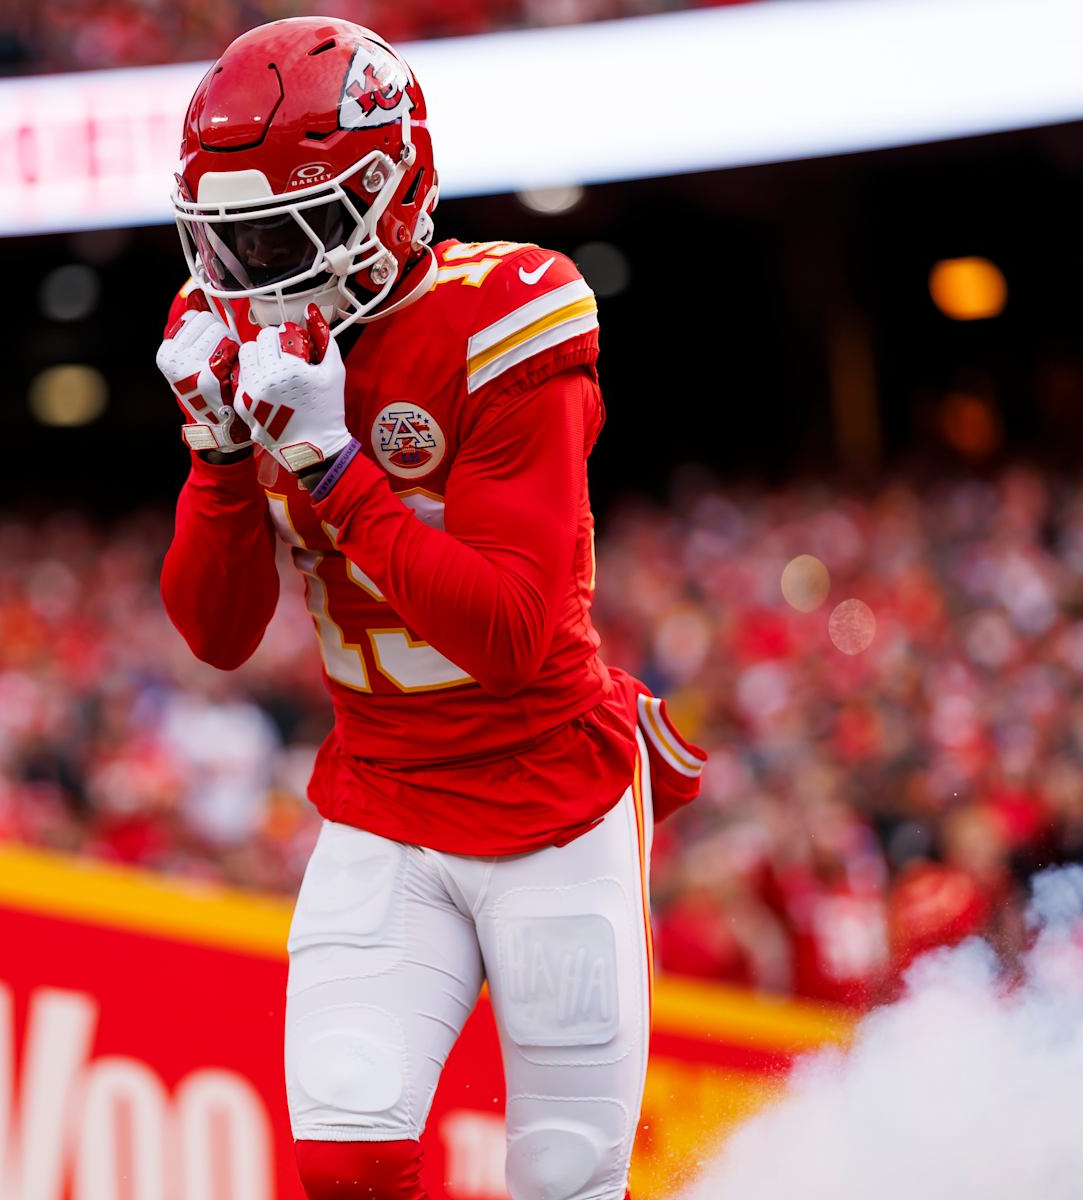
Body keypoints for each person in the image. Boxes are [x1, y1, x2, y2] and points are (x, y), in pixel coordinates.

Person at [154, 18, 706, 1198]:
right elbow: (217, 633)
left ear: (391, 195)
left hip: (548, 790)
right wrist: (217, 455)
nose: (249, 270)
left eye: (286, 230)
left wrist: (331, 466)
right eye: (228, 235)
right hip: (386, 793)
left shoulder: (503, 311)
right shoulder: (226, 326)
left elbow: (507, 633)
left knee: (564, 1178)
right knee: (346, 1154)